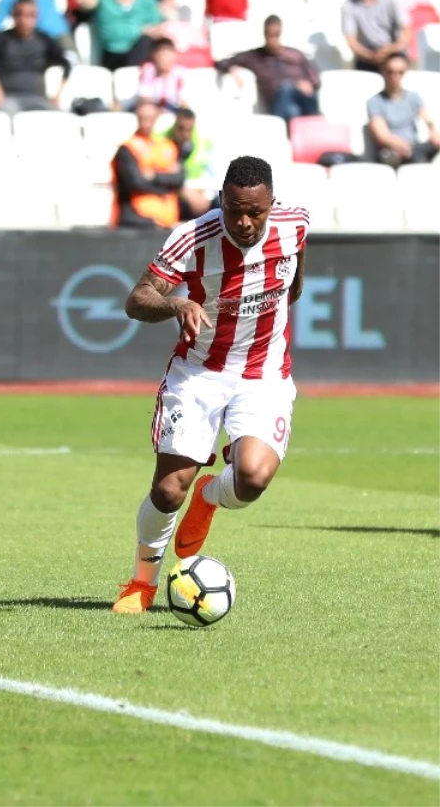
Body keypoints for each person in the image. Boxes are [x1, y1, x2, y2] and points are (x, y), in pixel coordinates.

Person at [111, 155, 309, 614]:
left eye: (255, 212)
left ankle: (208, 498)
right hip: (199, 373)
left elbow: (296, 277)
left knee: (253, 478)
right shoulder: (191, 236)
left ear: (271, 204)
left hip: (263, 374)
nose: (243, 222)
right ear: (221, 199)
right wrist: (178, 306)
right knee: (167, 490)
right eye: (234, 209)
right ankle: (141, 584)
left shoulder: (294, 224)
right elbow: (137, 300)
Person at [217, 14, 321, 120]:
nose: (272, 40)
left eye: (276, 35)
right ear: (264, 34)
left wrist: (309, 84)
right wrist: (231, 68)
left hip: (303, 101)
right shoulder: (255, 57)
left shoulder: (295, 55)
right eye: (269, 35)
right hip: (280, 106)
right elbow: (221, 62)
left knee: (305, 100)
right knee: (289, 97)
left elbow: (315, 77)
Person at [0, 0, 70, 113]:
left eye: (29, 15)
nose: (23, 20)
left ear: (36, 16)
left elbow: (66, 63)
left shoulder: (44, 40)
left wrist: (58, 95)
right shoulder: (1, 40)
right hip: (9, 99)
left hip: (38, 99)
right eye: (19, 14)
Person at [111, 99, 186, 228]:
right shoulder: (128, 148)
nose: (146, 122)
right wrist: (166, 185)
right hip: (136, 217)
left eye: (150, 117)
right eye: (143, 118)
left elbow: (179, 178)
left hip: (167, 217)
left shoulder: (166, 146)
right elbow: (135, 182)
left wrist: (153, 176)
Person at [367, 53, 440, 164]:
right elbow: (382, 136)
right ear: (383, 72)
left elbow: (427, 119)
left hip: (415, 148)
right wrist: (403, 146)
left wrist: (433, 132)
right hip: (391, 151)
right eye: (390, 71)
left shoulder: (413, 97)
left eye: (400, 72)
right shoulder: (375, 101)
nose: (395, 76)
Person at [341, 0, 410, 73]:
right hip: (366, 56)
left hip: (392, 52)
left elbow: (407, 31)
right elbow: (351, 41)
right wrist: (370, 56)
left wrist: (391, 49)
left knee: (394, 68)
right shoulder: (349, 5)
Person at [165, 105, 216, 217]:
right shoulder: (161, 141)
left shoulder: (204, 143)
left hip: (200, 194)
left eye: (189, 130)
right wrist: (183, 191)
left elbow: (213, 175)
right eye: (181, 128)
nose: (185, 134)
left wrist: (206, 196)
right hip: (174, 193)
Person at [134, 37, 186, 110]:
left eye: (167, 55)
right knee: (147, 109)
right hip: (152, 108)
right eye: (161, 55)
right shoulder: (148, 70)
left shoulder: (180, 72)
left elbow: (183, 99)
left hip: (173, 108)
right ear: (154, 55)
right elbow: (144, 96)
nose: (164, 59)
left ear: (174, 55)